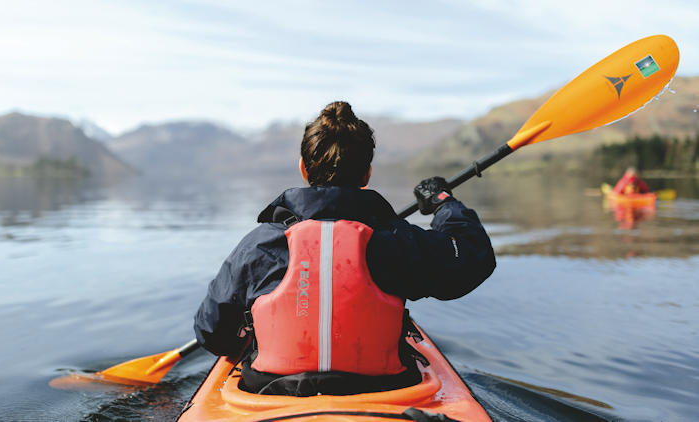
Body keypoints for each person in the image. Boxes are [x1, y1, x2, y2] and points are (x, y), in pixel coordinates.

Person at [193, 101, 496, 396]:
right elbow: (473, 255)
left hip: (269, 391)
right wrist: (443, 203)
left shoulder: (259, 246)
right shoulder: (396, 242)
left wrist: (254, 333)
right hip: (384, 392)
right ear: (367, 174)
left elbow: (212, 333)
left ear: (303, 168)